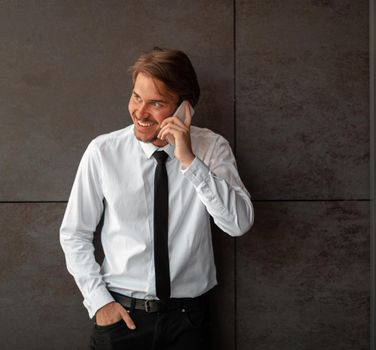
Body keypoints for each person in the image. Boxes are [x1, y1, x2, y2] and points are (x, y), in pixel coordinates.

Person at [60, 47, 254, 349]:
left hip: (189, 322)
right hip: (121, 319)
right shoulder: (103, 152)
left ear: (184, 108)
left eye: (156, 103)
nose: (140, 112)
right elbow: (74, 234)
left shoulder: (212, 148)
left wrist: (189, 160)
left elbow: (238, 223)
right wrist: (99, 302)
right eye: (137, 97)